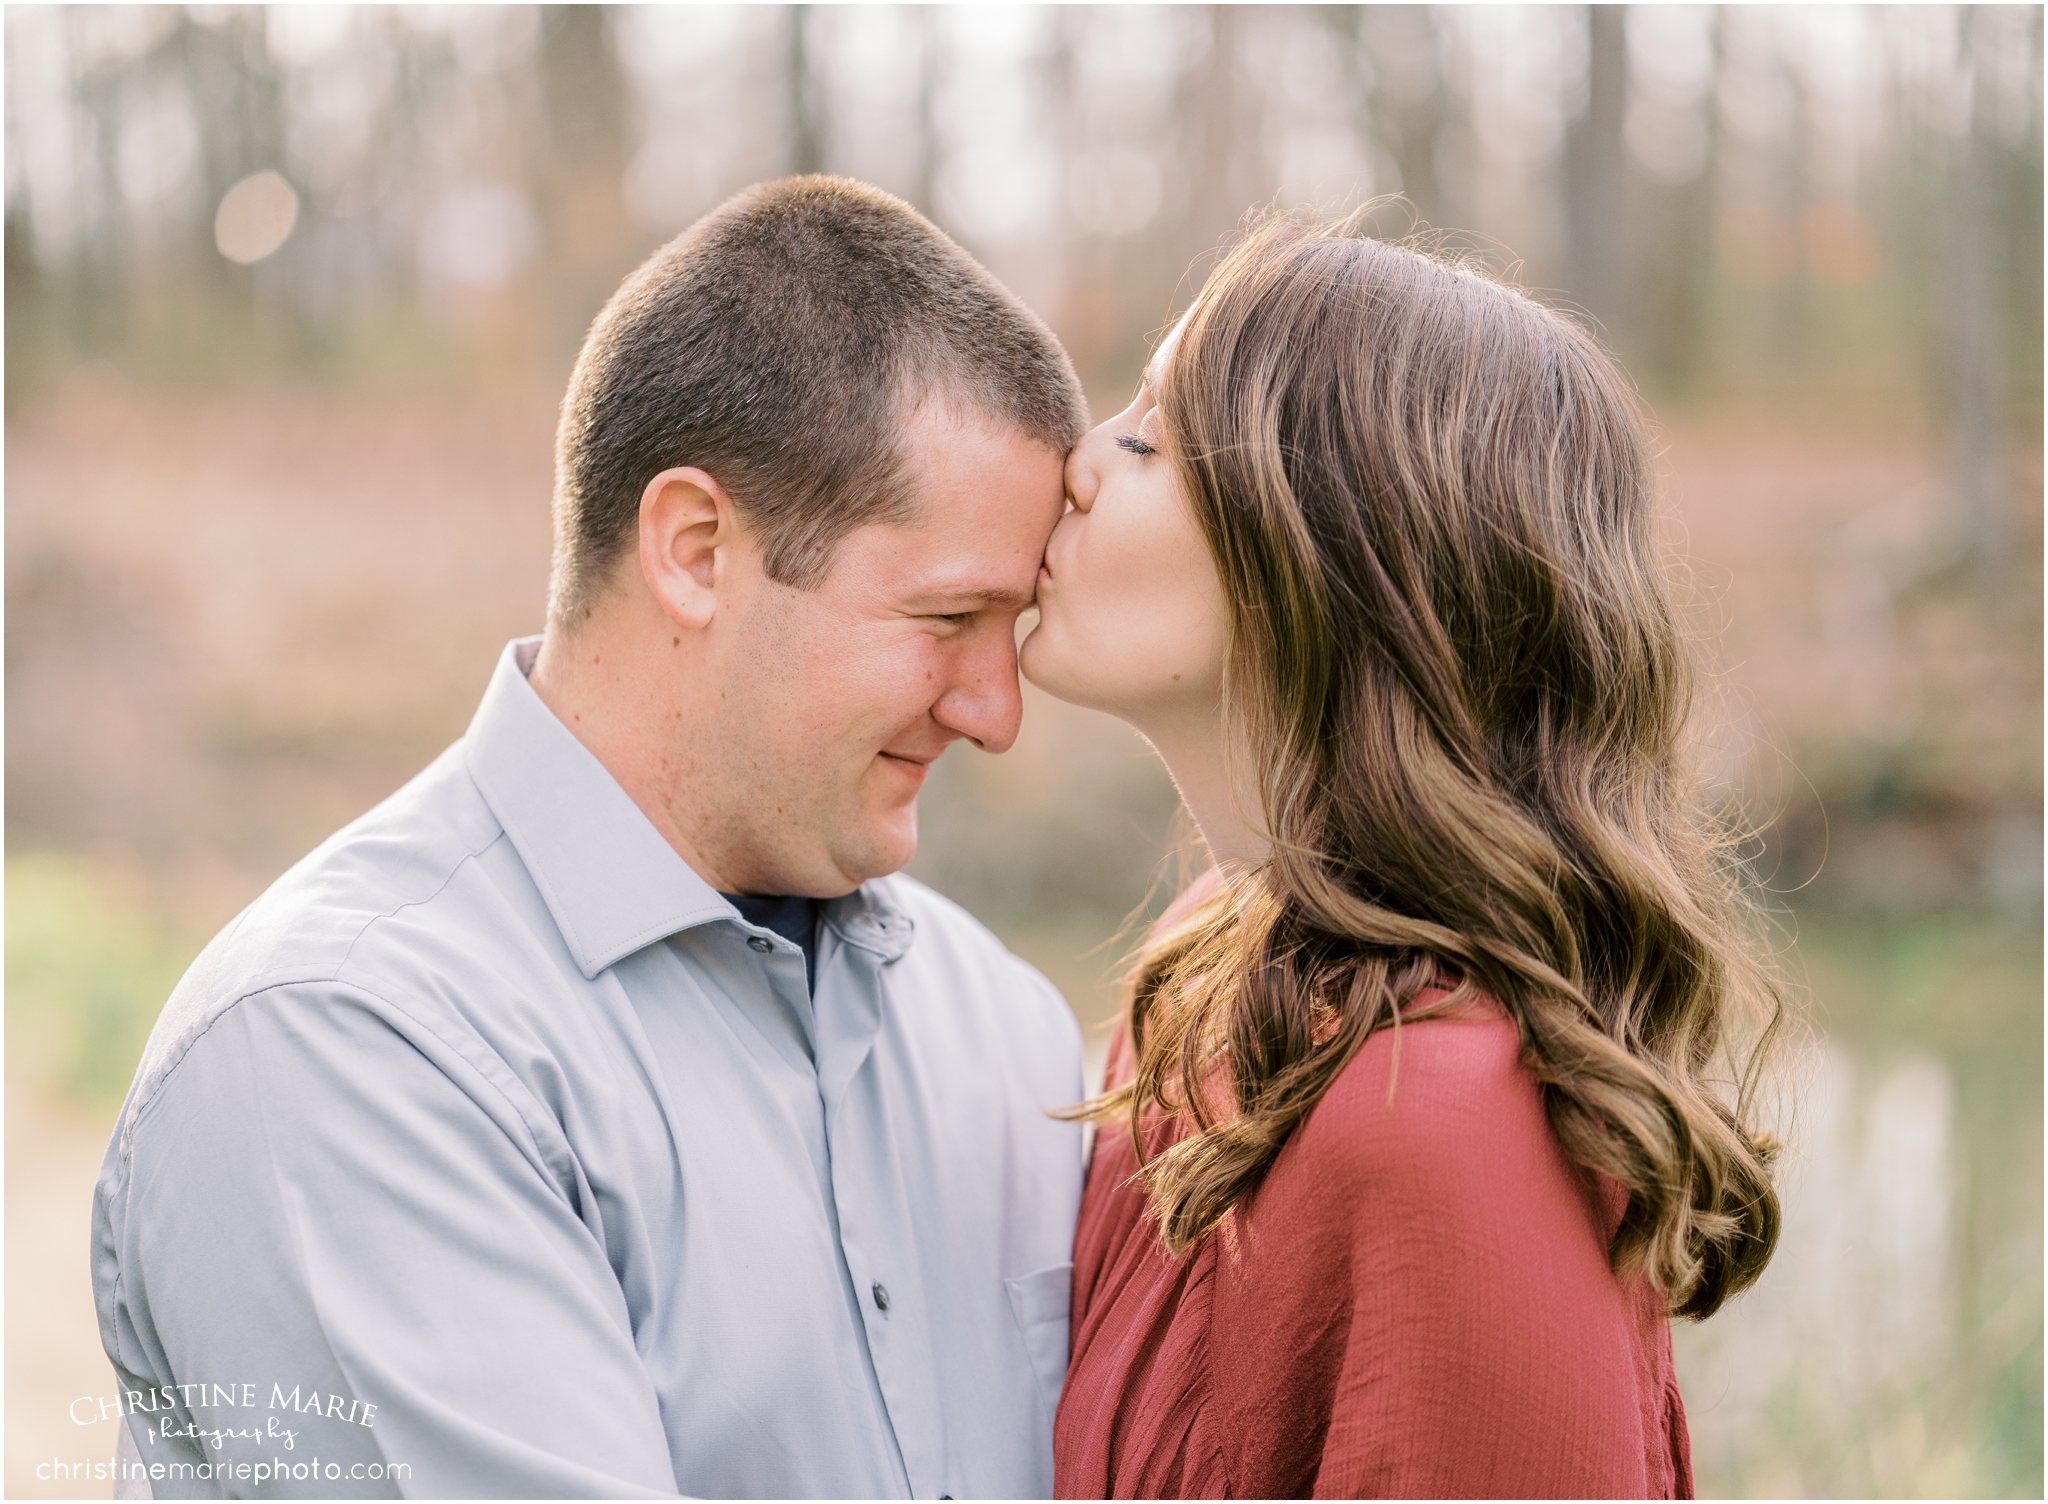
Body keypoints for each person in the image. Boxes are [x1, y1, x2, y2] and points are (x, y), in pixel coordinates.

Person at [91, 177, 1091, 1500]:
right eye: (946, 620)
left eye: (1011, 630)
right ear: (691, 549)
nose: (995, 711)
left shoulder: (1006, 1032)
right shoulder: (348, 1044)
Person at [1022, 210, 1784, 1499]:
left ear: (1330, 553)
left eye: (1149, 437)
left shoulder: (1447, 1128)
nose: (1077, 463)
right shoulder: (1206, 985)